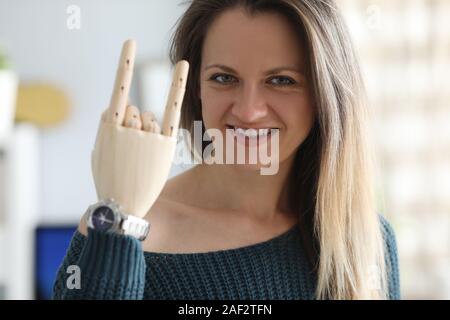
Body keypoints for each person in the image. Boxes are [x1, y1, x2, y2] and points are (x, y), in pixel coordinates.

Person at [53, 0, 400, 300]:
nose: (248, 112)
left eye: (281, 80)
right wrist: (121, 217)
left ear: (325, 97)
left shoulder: (366, 240)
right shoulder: (122, 229)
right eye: (223, 78)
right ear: (196, 89)